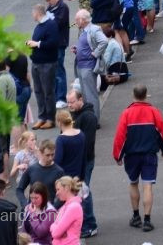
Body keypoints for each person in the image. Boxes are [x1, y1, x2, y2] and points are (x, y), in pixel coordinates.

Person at [112, 85, 163, 234]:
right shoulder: (154, 112)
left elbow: (120, 136)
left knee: (133, 183)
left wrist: (117, 156)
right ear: (146, 95)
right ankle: (147, 220)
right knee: (147, 186)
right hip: (149, 155)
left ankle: (135, 216)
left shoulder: (126, 114)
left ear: (133, 95)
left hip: (131, 156)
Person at [65, 88, 98, 238]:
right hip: (74, 161)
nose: (69, 105)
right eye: (68, 102)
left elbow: (88, 142)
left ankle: (90, 225)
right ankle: (82, 222)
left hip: (84, 161)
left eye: (72, 102)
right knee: (78, 192)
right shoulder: (74, 114)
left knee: (83, 192)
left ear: (80, 100)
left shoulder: (88, 117)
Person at [71, 9, 108, 125]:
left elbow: (104, 41)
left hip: (88, 66)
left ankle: (94, 120)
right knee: (85, 94)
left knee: (90, 94)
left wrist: (95, 53)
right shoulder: (83, 31)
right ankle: (89, 118)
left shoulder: (93, 29)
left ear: (83, 20)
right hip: (82, 66)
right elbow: (86, 45)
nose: (76, 21)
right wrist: (77, 50)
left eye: (77, 19)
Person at [26, 3, 59, 130]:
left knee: (48, 91)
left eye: (33, 13)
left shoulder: (51, 25)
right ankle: (42, 117)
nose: (32, 15)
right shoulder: (39, 26)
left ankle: (50, 118)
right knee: (38, 91)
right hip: (36, 63)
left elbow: (53, 43)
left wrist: (37, 44)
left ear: (38, 13)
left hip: (47, 63)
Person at [42, 0, 70, 110]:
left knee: (59, 71)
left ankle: (61, 98)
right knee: (53, 71)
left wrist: (48, 20)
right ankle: (55, 96)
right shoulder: (50, 9)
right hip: (51, 44)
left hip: (59, 43)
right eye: (47, 1)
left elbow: (57, 23)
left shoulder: (63, 7)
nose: (49, 2)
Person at [16, 143, 63, 208]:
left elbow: (64, 194)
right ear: (40, 153)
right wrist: (25, 205)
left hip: (48, 212)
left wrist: (53, 208)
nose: (50, 158)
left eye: (52, 155)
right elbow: (19, 189)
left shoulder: (59, 172)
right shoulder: (32, 169)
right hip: (32, 211)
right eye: (47, 155)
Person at [54, 110, 86, 180]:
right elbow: (83, 157)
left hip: (65, 178)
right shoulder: (81, 134)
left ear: (59, 123)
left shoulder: (61, 139)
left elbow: (57, 160)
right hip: (78, 175)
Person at [50, 178, 82, 245]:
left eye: (58, 189)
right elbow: (55, 228)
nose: (57, 193)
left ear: (67, 188)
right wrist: (55, 227)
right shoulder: (65, 206)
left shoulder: (73, 207)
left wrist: (53, 226)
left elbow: (56, 233)